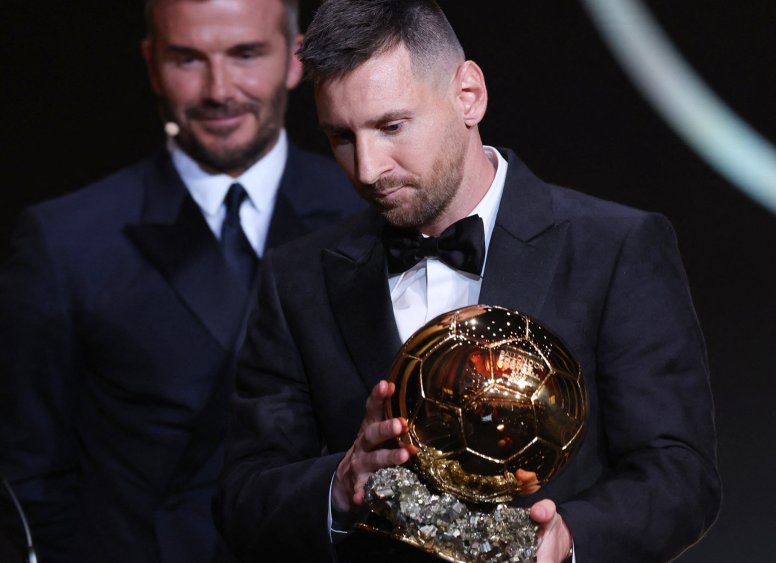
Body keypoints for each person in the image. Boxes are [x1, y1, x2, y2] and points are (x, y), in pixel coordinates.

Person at [213, 0, 721, 562]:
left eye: (392, 126)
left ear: (468, 96)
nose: (366, 167)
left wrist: (570, 540)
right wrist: (340, 484)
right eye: (340, 137)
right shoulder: (298, 279)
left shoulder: (615, 247)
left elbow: (679, 474)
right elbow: (242, 499)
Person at [0, 0, 363, 561]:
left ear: (295, 58)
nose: (219, 90)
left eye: (246, 54)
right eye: (188, 59)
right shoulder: (64, 241)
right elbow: (22, 474)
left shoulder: (365, 211)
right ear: (152, 62)